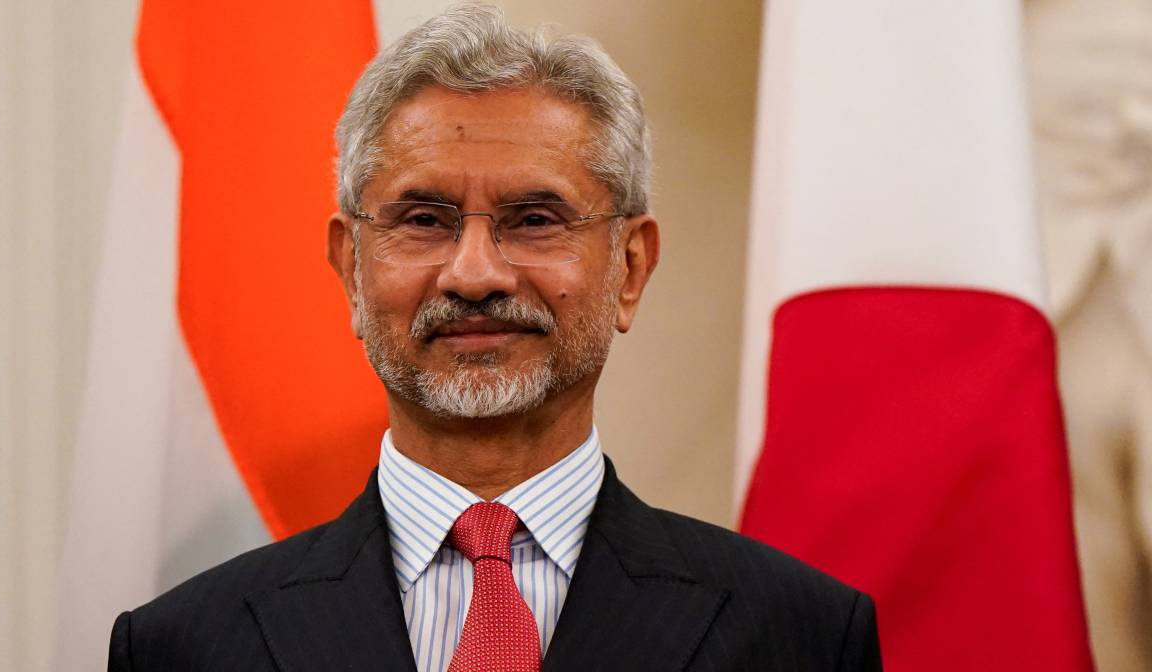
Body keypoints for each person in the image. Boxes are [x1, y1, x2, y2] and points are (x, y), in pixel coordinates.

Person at [107, 5, 881, 671]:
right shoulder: (184, 647)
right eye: (423, 220)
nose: (474, 274)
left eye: (535, 219)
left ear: (630, 267)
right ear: (350, 268)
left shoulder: (802, 636)